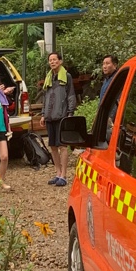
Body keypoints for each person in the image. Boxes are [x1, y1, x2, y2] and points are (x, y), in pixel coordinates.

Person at [42, 50, 76, 187]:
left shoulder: (66, 76)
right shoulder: (49, 77)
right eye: (50, 60)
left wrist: (70, 113)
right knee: (53, 146)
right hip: (50, 116)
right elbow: (45, 97)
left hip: (62, 115)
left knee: (62, 145)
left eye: (55, 59)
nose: (52, 62)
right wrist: (43, 114)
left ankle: (64, 175)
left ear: (60, 61)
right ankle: (57, 173)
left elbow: (71, 95)